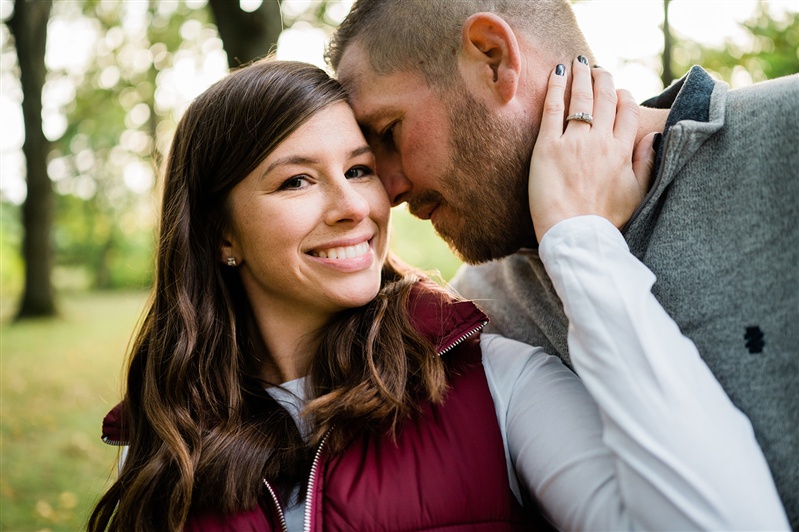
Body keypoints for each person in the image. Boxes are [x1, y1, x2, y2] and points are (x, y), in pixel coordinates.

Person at [88, 57, 788, 531]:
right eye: (296, 180)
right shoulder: (165, 432)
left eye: (360, 169)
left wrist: (580, 244)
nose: (352, 207)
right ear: (218, 234)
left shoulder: (492, 377)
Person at [328, 0, 799, 526]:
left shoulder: (788, 138)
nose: (386, 189)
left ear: (492, 58)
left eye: (389, 131)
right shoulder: (478, 319)